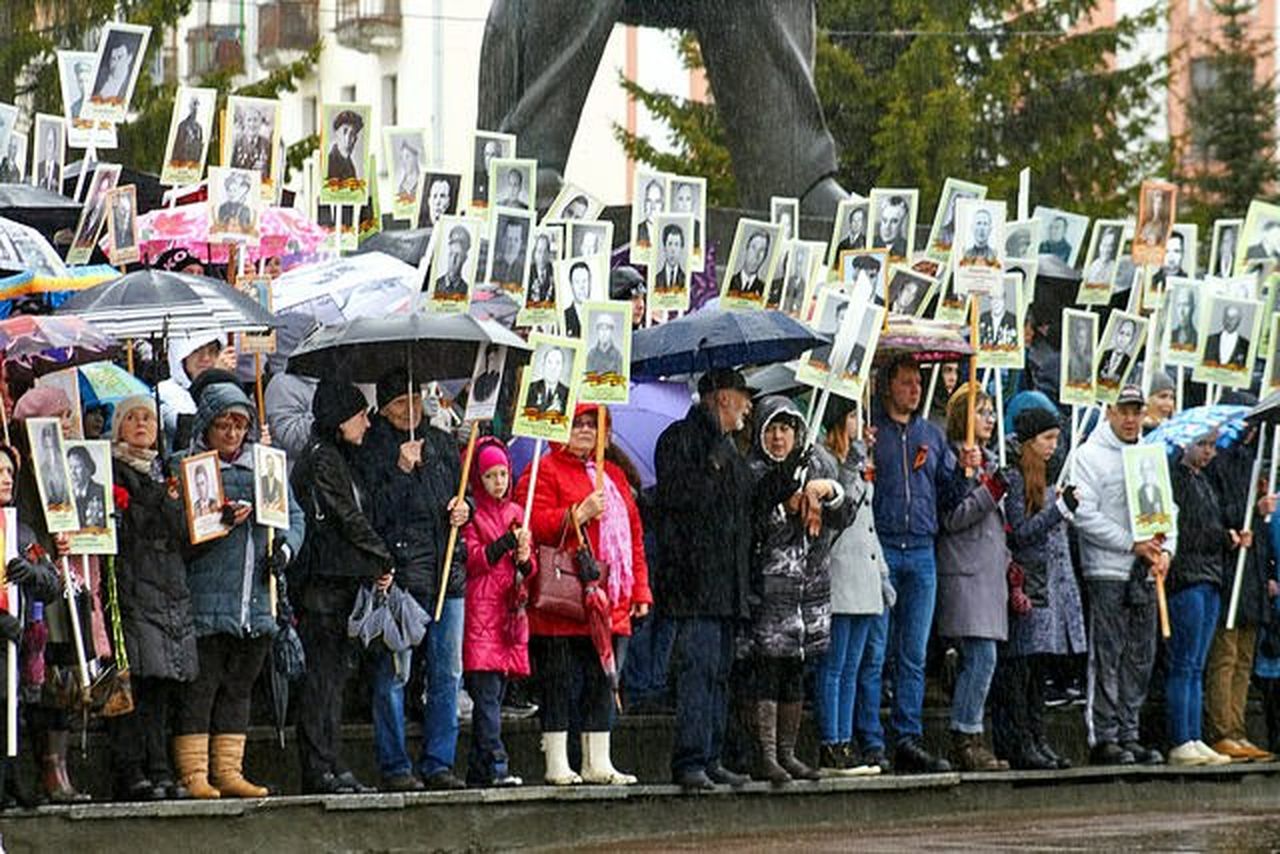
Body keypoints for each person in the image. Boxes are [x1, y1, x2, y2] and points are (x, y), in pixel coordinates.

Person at [174, 379, 304, 799]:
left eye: (238, 426)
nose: (231, 434)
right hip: (209, 597)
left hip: (257, 598)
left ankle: (229, 768)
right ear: (208, 427)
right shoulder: (192, 465)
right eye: (223, 426)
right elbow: (182, 531)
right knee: (203, 686)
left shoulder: (266, 466)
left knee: (239, 687)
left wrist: (284, 549)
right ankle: (194, 771)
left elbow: (294, 518)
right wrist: (221, 520)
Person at [516, 403, 650, 786]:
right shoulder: (543, 471)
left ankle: (598, 761)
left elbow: (634, 537)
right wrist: (577, 514)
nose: (586, 430)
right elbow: (531, 523)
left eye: (594, 424)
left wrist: (640, 587)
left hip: (608, 599)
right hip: (563, 597)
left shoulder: (614, 475)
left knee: (600, 680)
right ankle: (557, 761)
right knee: (558, 681)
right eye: (578, 423)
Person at [357, 369, 471, 791]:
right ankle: (395, 765)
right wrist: (402, 471)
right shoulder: (372, 448)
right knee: (395, 676)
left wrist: (465, 508)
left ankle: (440, 762)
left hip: (446, 572)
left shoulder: (441, 442)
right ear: (384, 410)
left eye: (415, 400)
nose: (411, 409)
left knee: (447, 674)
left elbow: (460, 493)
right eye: (401, 403)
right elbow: (375, 513)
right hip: (403, 576)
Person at [654, 369, 758, 790]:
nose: (749, 406)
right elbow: (679, 500)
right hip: (694, 580)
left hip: (727, 583)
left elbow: (746, 510)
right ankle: (691, 758)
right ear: (721, 399)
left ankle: (712, 755)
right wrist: (713, 461)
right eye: (742, 396)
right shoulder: (679, 439)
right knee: (697, 672)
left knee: (718, 674)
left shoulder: (732, 449)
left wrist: (784, 480)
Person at [744, 396, 852, 785]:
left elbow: (845, 515)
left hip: (809, 596)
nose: (778, 437)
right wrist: (785, 505)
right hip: (770, 594)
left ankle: (787, 753)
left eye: (786, 429)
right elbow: (754, 526)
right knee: (768, 672)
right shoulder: (754, 472)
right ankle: (766, 754)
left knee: (795, 672)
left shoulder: (817, 465)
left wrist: (826, 490)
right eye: (771, 429)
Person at [290, 381, 388, 795]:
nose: (367, 422)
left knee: (332, 681)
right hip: (321, 585)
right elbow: (347, 517)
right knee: (322, 682)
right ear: (339, 418)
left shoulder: (339, 457)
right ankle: (321, 765)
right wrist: (382, 558)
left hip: (336, 583)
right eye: (360, 415)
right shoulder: (323, 459)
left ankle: (330, 762)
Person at [870, 356, 965, 772]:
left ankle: (908, 736)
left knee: (913, 652)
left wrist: (963, 470)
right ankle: (870, 738)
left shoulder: (931, 434)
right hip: (885, 545)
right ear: (888, 386)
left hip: (922, 548)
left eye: (917, 383)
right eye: (906, 382)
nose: (913, 390)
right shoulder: (874, 432)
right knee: (876, 650)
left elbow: (949, 494)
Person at [1073, 384, 1172, 766]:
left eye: (1137, 411)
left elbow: (1167, 510)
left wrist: (1166, 552)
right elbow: (1084, 515)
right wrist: (1130, 544)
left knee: (1140, 656)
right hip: (1107, 569)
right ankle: (1105, 734)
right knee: (1108, 654)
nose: (1131, 419)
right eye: (1124, 411)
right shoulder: (1089, 456)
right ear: (1110, 412)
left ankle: (1130, 730)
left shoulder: (1150, 453)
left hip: (1146, 572)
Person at [106, 396, 198, 801]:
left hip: (169, 588)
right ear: (119, 427)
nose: (142, 425)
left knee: (162, 686)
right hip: (134, 583)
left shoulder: (167, 473)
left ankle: (160, 766)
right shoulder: (113, 470)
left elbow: (184, 536)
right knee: (136, 682)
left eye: (149, 418)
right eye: (133, 418)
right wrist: (162, 498)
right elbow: (131, 525)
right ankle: (132, 769)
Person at [993, 407, 1085, 770]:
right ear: (1030, 441)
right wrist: (1058, 510)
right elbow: (1021, 531)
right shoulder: (1016, 477)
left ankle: (1038, 737)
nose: (1052, 446)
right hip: (1028, 585)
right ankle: (1021, 742)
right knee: (1023, 668)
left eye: (1056, 439)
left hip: (1051, 584)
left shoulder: (1046, 476)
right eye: (1047, 439)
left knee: (1039, 670)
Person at [935, 388, 1009, 772]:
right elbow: (952, 517)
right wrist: (988, 491)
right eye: (981, 412)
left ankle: (973, 733)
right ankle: (966, 733)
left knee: (983, 656)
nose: (990, 418)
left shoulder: (991, 462)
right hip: (964, 572)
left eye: (992, 412)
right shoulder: (952, 459)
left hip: (989, 573)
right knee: (981, 655)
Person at [813, 396, 889, 776]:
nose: (862, 423)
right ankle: (832, 741)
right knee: (836, 664)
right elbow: (840, 510)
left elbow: (870, 526)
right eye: (855, 416)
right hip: (840, 570)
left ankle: (843, 739)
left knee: (855, 664)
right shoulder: (825, 459)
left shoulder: (858, 464)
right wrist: (851, 463)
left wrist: (884, 576)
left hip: (866, 572)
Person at [1203, 417, 1279, 762]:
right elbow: (1216, 514)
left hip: (1251, 574)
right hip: (1229, 571)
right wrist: (1253, 510)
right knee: (1226, 655)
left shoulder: (1252, 462)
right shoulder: (1217, 464)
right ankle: (1223, 729)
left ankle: (1238, 728)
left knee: (1244, 656)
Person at [462, 437, 534, 787]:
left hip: (509, 615)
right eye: (490, 475)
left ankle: (479, 769)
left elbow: (528, 567)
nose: (498, 482)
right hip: (481, 613)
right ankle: (496, 764)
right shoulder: (471, 513)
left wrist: (524, 557)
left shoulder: (518, 513)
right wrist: (504, 544)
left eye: (503, 474)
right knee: (487, 696)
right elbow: (473, 561)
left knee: (496, 696)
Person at [1161, 429, 1232, 766]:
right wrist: (1224, 536)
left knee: (1196, 665)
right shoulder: (1176, 480)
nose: (1208, 452)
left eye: (1212, 446)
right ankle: (1180, 737)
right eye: (1202, 444)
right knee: (1184, 663)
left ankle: (1194, 735)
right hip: (1186, 577)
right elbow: (1188, 529)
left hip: (1209, 576)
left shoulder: (1204, 481)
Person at [0, 443, 63, 810]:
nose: (6, 478)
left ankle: (14, 780)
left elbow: (52, 581)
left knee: (14, 712)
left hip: (17, 646)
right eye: (0, 472)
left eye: (10, 472)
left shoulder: (21, 532)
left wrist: (33, 573)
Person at [159, 332, 232, 451]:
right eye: (197, 350)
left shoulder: (227, 388)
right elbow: (194, 431)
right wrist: (215, 378)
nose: (206, 358)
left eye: (212, 351)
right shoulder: (166, 392)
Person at [66, 445, 105, 529]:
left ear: (88, 468)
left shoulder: (102, 492)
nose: (73, 472)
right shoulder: (65, 495)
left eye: (77, 467)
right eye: (70, 467)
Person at [1204, 304, 1251, 369]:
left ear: (1239, 321)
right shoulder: (1210, 340)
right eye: (1227, 317)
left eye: (1233, 318)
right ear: (1223, 318)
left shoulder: (1246, 345)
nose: (1229, 321)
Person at [35, 422, 69, 509]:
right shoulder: (42, 470)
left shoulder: (66, 464)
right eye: (46, 447)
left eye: (51, 447)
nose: (49, 452)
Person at [526, 347, 570, 415]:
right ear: (543, 365)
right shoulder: (530, 388)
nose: (553, 368)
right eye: (549, 362)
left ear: (562, 367)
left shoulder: (568, 394)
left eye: (558, 363)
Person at [1096, 318, 1137, 390]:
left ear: (1132, 339)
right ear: (1117, 334)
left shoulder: (1129, 362)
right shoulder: (1104, 354)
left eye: (1128, 335)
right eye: (1121, 332)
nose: (1123, 337)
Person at [727, 231, 771, 298]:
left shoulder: (765, 291)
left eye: (762, 250)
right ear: (746, 250)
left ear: (765, 256)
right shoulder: (729, 282)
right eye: (753, 248)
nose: (756, 255)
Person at [230, 108, 271, 178]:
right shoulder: (236, 143)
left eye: (255, 120)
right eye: (249, 120)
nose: (252, 124)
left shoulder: (268, 145)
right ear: (244, 123)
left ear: (260, 123)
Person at [434, 226, 472, 297]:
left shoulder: (467, 290)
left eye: (458, 256)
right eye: (451, 254)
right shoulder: (435, 284)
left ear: (464, 259)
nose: (453, 260)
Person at [490, 219, 528, 288]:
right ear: (503, 240)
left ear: (520, 243)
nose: (512, 244)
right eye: (509, 239)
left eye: (516, 240)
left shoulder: (523, 272)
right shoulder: (492, 268)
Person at [326, 110, 363, 181]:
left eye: (353, 133)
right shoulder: (330, 162)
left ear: (355, 139)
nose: (348, 137)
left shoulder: (350, 165)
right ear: (336, 134)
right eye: (345, 131)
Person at [978, 285, 1018, 350]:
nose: (996, 303)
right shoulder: (982, 318)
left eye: (999, 298)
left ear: (1004, 299)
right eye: (993, 298)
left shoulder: (1014, 320)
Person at [584, 312, 623, 377]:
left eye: (607, 329)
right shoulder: (591, 355)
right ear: (597, 331)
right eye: (601, 329)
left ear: (611, 331)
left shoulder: (618, 356)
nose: (604, 333)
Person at [563, 261, 593, 337]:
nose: (581, 287)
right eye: (577, 282)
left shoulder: (601, 313)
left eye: (585, 281)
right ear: (571, 285)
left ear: (590, 283)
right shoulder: (563, 317)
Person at [172, 97, 204, 164]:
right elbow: (178, 144)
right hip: (182, 160)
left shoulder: (199, 127)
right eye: (193, 106)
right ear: (190, 108)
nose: (195, 109)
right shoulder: (182, 125)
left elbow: (200, 145)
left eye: (196, 106)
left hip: (194, 161)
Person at [654, 223, 686, 290]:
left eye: (676, 244)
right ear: (664, 247)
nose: (673, 250)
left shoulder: (686, 279)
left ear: (681, 249)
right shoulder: (655, 279)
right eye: (670, 244)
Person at [527, 233, 555, 305]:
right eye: (539, 251)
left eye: (545, 251)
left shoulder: (555, 272)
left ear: (549, 254)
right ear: (534, 253)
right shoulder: (527, 273)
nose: (542, 256)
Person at [1066, 318, 1095, 388]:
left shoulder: (1089, 360)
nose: (1082, 342)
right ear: (1076, 339)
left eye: (1084, 338)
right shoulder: (1069, 358)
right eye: (1080, 338)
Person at [1168, 287, 1199, 354]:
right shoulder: (1169, 336)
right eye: (1179, 305)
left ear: (1193, 308)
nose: (1181, 311)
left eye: (1186, 305)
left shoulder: (1198, 339)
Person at [635, 178, 664, 245]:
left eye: (657, 202)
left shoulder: (666, 232)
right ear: (644, 204)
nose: (652, 207)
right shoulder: (636, 231)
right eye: (649, 201)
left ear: (662, 206)